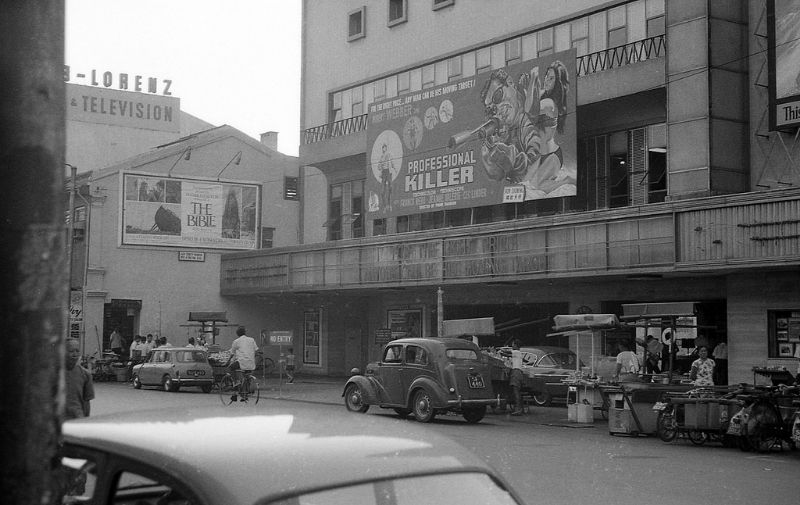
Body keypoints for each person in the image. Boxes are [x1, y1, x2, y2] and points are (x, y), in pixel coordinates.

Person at [64, 338, 94, 420]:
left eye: (77, 351)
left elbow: (86, 402)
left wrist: (85, 421)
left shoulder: (85, 374)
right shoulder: (53, 373)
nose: (75, 354)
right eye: (71, 351)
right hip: (57, 421)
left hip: (77, 419)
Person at [228, 326, 258, 399]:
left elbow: (232, 353)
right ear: (245, 332)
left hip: (242, 362)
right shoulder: (252, 340)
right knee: (245, 376)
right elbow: (256, 350)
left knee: (230, 368)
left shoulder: (236, 341)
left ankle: (236, 382)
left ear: (237, 334)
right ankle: (244, 394)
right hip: (251, 363)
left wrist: (228, 361)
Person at [501, 340, 525, 415]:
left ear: (516, 345)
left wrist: (501, 350)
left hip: (516, 372)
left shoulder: (516, 352)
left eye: (513, 345)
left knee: (516, 391)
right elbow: (507, 355)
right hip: (519, 373)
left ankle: (518, 409)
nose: (512, 346)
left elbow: (506, 353)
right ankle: (520, 408)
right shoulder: (518, 354)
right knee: (517, 391)